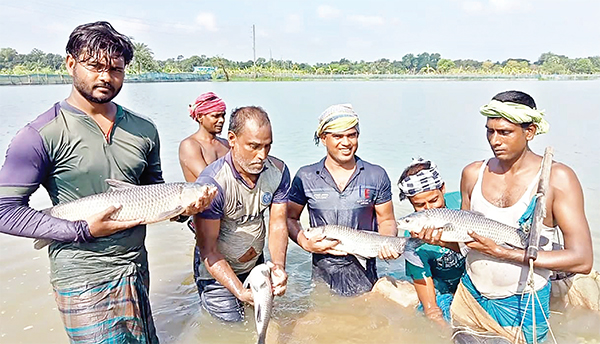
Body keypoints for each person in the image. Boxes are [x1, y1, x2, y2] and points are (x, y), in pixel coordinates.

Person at [0, 21, 214, 344]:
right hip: (81, 276)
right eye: (95, 66)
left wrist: (185, 208)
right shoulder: (40, 135)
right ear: (70, 63)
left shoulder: (144, 130)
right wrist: (81, 230)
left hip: (136, 271)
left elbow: (153, 193)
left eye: (116, 68)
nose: (106, 76)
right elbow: (5, 210)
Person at [417, 90, 593, 343]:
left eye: (505, 132)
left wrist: (503, 253)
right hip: (471, 297)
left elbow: (582, 259)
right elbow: (469, 244)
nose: (494, 140)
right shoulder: (473, 174)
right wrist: (439, 240)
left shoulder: (556, 178)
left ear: (529, 131)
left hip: (522, 305)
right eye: (490, 131)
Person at [287, 104, 399, 297]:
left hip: (366, 275)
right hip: (322, 274)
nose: (346, 142)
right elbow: (289, 218)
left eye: (352, 135)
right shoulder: (305, 176)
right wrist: (305, 243)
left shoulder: (376, 175)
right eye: (338, 136)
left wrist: (389, 243)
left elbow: (387, 221)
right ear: (323, 138)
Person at [193, 106, 290, 322]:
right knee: (232, 326)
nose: (262, 155)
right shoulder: (213, 184)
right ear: (232, 139)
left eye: (267, 146)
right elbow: (208, 249)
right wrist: (238, 291)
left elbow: (277, 225)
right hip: (217, 271)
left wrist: (279, 267)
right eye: (254, 146)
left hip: (255, 263)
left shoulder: (278, 172)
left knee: (265, 320)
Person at [397, 158, 466, 326]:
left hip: (471, 279)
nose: (429, 209)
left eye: (434, 200)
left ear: (442, 188)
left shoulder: (462, 203)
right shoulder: (413, 238)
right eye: (420, 205)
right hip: (441, 285)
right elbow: (431, 308)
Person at [179, 91, 229, 183]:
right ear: (200, 117)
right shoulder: (190, 145)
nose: (221, 120)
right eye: (216, 116)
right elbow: (208, 179)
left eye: (223, 115)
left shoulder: (226, 144)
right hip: (201, 196)